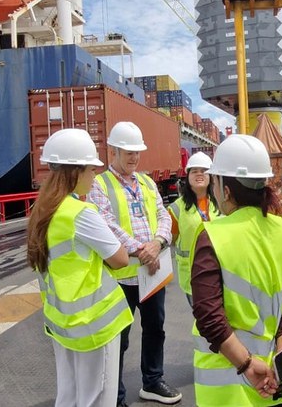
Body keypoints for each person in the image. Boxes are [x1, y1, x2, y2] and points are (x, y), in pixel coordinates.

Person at [191, 134, 282, 407]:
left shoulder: (213, 236)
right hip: (278, 374)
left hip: (229, 384)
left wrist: (247, 363)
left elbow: (208, 314)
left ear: (225, 190)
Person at [26, 128, 133, 407]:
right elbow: (120, 258)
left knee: (69, 396)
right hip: (95, 324)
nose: (95, 175)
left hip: (62, 322)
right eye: (91, 169)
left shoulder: (43, 210)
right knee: (97, 399)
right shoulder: (81, 213)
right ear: (75, 172)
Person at [87, 121, 182, 407]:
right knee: (119, 338)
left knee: (156, 329)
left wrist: (158, 244)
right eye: (127, 151)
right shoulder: (99, 184)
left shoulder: (147, 182)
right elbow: (107, 224)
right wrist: (142, 250)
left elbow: (163, 215)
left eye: (136, 152)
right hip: (120, 277)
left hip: (151, 274)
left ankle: (152, 381)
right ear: (112, 150)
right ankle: (114, 398)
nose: (133, 157)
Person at [168, 151, 221, 307]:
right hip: (193, 276)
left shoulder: (221, 203)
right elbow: (172, 239)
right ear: (188, 176)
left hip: (221, 271)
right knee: (205, 321)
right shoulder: (176, 209)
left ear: (211, 175)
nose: (199, 174)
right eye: (195, 171)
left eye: (204, 171)